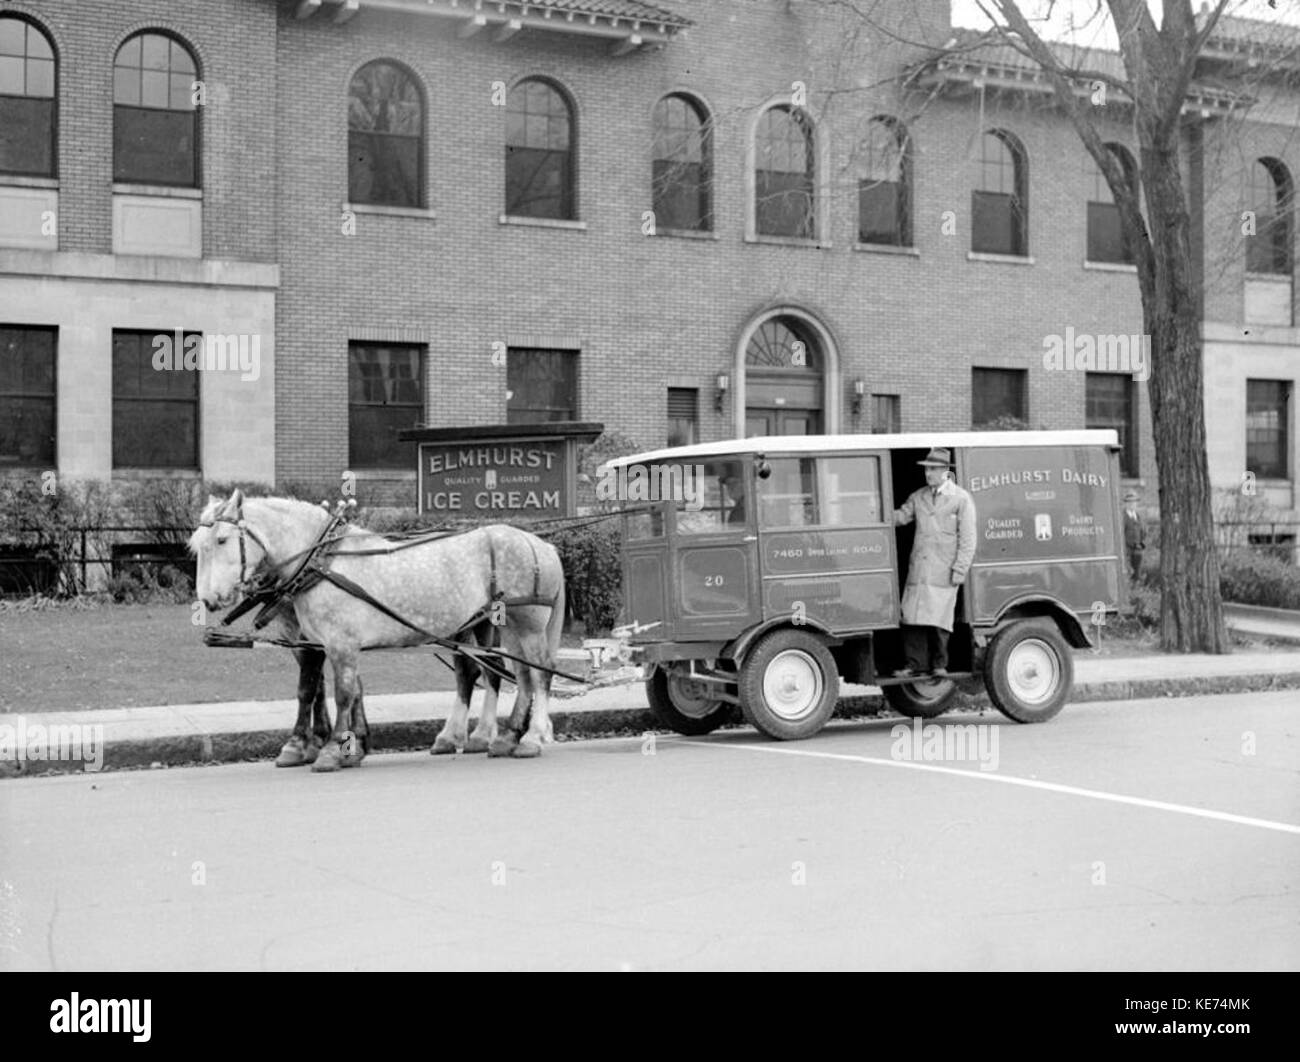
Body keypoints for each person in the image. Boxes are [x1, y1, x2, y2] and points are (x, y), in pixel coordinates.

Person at [892, 447, 976, 677]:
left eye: (932, 469)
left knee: (939, 619)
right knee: (912, 616)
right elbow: (901, 516)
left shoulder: (960, 499)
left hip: (944, 569)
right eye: (927, 469)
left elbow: (968, 539)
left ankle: (939, 665)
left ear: (945, 471)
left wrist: (960, 568)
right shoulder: (919, 497)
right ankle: (913, 664)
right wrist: (875, 515)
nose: (927, 473)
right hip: (920, 568)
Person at [1123, 488, 1146, 585]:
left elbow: (1143, 531)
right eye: (1130, 502)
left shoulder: (1138, 516)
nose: (1133, 504)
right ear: (1126, 504)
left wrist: (1141, 543)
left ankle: (1137, 588)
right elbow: (1122, 534)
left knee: (1138, 573)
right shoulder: (1123, 517)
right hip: (1127, 550)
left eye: (1134, 502)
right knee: (1129, 572)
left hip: (1138, 550)